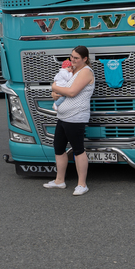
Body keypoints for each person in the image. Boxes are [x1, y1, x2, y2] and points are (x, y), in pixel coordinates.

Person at [44, 45, 95, 196]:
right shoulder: (72, 71)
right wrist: (55, 93)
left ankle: (82, 184)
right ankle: (59, 180)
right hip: (62, 116)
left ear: (85, 59)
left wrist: (54, 87)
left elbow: (72, 92)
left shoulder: (86, 72)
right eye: (71, 56)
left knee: (78, 149)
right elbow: (62, 89)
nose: (72, 60)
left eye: (76, 58)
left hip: (76, 117)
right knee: (58, 147)